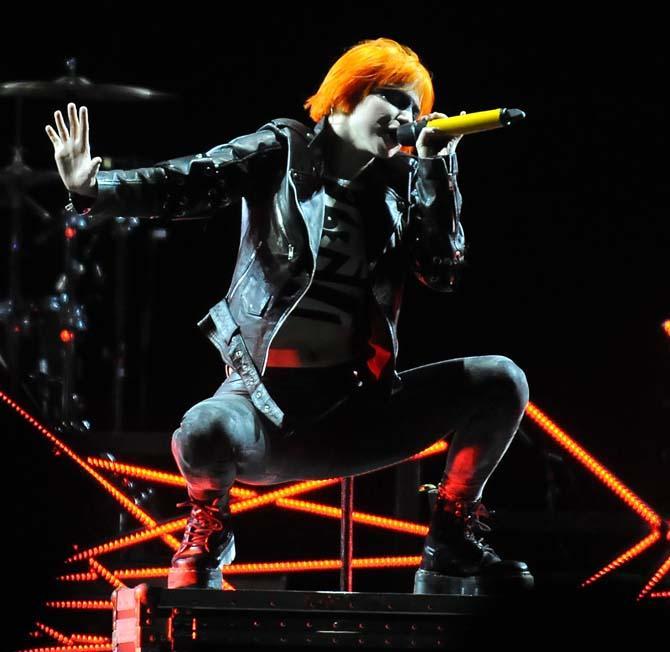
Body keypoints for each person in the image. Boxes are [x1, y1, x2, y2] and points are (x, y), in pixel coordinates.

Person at [45, 37, 533, 595]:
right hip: (265, 413)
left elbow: (441, 270)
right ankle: (208, 526)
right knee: (202, 429)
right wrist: (93, 188)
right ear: (345, 97)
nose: (407, 118)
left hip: (357, 412)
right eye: (394, 100)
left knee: (500, 379)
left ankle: (449, 539)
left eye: (416, 110)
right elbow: (190, 180)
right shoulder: (284, 149)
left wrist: (435, 172)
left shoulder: (395, 196)